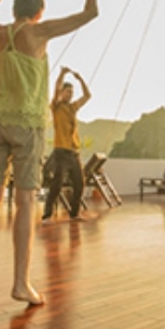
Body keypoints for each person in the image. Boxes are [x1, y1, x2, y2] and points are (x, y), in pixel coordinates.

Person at [0, 0, 98, 306]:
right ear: (39, 12)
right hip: (26, 125)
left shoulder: (0, 33)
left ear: (15, 11)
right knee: (25, 202)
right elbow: (89, 15)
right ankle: (20, 283)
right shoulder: (39, 31)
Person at [42, 66, 92, 222]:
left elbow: (87, 95)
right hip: (61, 152)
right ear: (62, 93)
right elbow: (56, 89)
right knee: (56, 185)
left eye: (72, 93)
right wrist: (62, 74)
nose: (70, 95)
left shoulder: (72, 108)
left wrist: (80, 79)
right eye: (68, 92)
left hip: (74, 152)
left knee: (80, 183)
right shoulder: (56, 106)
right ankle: (47, 214)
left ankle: (74, 213)